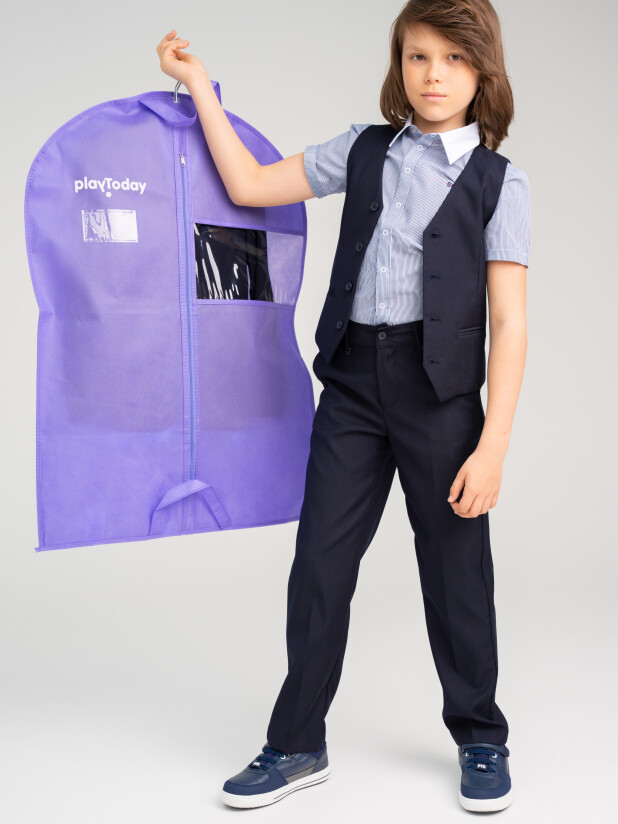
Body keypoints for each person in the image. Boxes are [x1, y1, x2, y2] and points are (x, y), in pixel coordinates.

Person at [156, 0, 529, 813]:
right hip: (355, 384)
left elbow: (509, 322)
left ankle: (481, 736)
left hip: (441, 398)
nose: (433, 75)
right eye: (418, 56)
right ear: (399, 63)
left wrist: (493, 445)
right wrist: (199, 87)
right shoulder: (363, 150)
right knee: (320, 565)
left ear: (482, 72)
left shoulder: (501, 182)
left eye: (454, 60)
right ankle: (297, 743)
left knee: (456, 573)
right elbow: (249, 184)